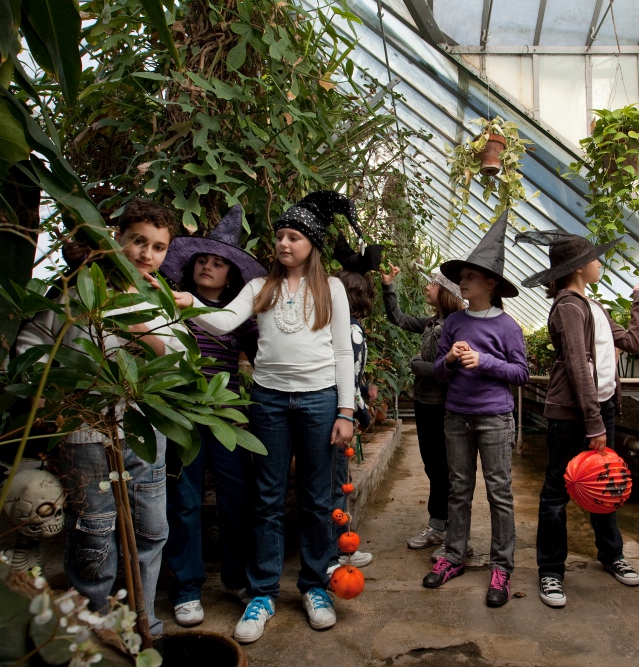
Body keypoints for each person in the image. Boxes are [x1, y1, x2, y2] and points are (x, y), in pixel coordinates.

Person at [171, 191, 356, 640]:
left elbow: (342, 351)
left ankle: (314, 587)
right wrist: (188, 304)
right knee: (268, 499)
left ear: (312, 243)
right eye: (280, 236)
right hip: (270, 402)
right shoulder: (258, 288)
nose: (284, 244)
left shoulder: (331, 288)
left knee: (316, 498)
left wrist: (346, 410)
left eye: (293, 237)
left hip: (319, 402)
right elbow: (224, 322)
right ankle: (263, 593)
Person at [15, 199, 186, 637]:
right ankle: (93, 629)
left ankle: (143, 623)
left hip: (144, 429)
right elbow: (33, 341)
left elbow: (181, 359)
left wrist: (141, 329)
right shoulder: (75, 290)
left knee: (150, 529)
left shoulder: (158, 296)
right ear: (117, 240)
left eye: (159, 247)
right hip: (85, 432)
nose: (147, 254)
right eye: (138, 241)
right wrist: (48, 395)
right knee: (94, 529)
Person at [516, 231, 639, 608]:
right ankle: (550, 571)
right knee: (558, 491)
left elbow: (633, 343)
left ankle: (611, 555)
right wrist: (593, 423)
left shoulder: (592, 306)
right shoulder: (567, 306)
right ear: (579, 266)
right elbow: (578, 365)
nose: (599, 262)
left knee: (605, 484)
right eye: (595, 258)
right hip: (573, 414)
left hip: (601, 408)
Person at [158, 205, 265, 628]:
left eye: (218, 262)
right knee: (183, 501)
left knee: (237, 499)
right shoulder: (171, 303)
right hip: (180, 412)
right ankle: (186, 589)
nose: (208, 266)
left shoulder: (241, 316)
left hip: (227, 415)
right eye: (202, 259)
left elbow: (265, 358)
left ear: (231, 274)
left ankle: (237, 578)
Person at [422, 213, 529, 608]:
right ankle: (454, 556)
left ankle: (502, 566)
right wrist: (449, 359)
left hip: (495, 419)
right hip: (456, 417)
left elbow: (521, 373)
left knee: (499, 493)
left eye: (470, 276)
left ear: (491, 283)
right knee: (459, 490)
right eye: (461, 276)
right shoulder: (453, 322)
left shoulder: (508, 327)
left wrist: (483, 362)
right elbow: (437, 372)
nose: (462, 282)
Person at [378, 263, 465, 559]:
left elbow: (451, 372)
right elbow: (398, 318)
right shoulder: (431, 323)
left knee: (445, 469)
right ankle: (439, 525)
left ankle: (448, 530)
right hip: (425, 405)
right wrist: (388, 287)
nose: (427, 288)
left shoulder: (456, 328)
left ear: (445, 293)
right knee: (432, 467)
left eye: (432, 285)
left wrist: (418, 366)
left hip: (445, 407)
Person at [328, 247, 383, 574]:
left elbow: (353, 375)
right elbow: (345, 376)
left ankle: (339, 546)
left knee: (337, 481)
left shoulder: (335, 326)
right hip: (338, 416)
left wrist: (364, 389)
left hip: (331, 411)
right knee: (335, 484)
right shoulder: (351, 330)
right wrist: (360, 412)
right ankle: (334, 552)